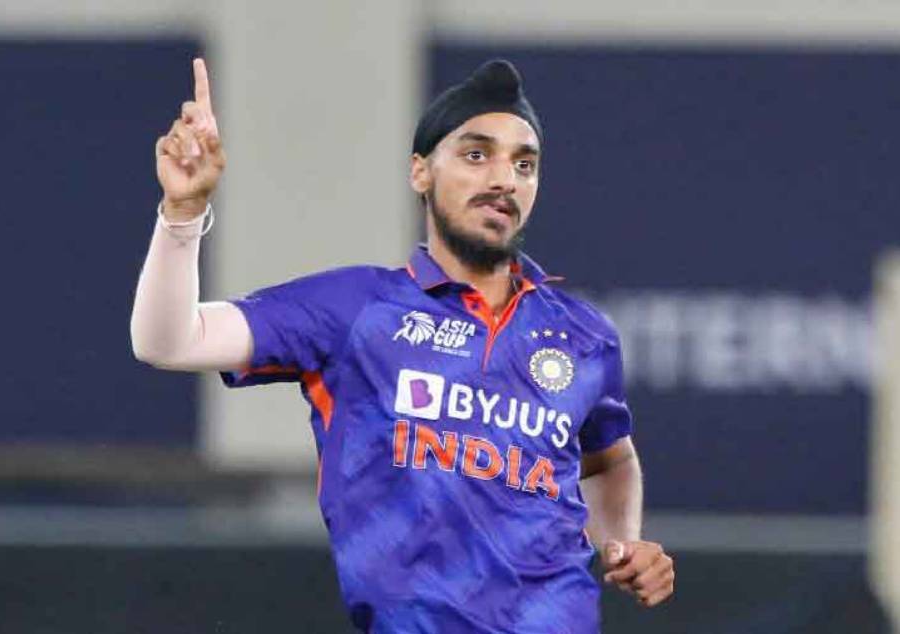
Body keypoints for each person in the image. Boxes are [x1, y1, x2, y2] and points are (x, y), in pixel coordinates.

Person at [131, 57, 674, 633]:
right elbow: (170, 340)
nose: (504, 179)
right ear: (420, 172)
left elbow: (609, 458)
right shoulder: (356, 310)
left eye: (524, 164)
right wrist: (183, 212)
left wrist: (623, 543)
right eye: (476, 155)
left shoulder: (583, 335)